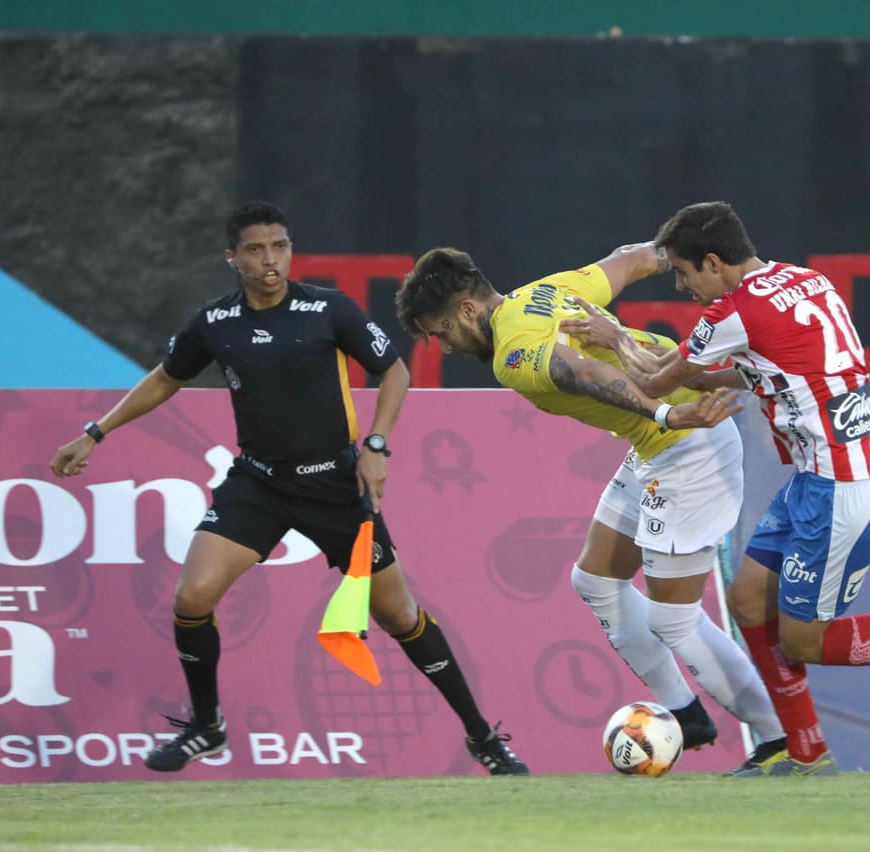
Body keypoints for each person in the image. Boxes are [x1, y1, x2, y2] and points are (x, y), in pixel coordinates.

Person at [49, 202, 528, 776]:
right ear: (233, 258)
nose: (270, 259)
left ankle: (481, 737)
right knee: (191, 597)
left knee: (399, 615)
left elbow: (394, 370)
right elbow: (165, 379)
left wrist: (376, 445)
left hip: (334, 486)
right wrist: (96, 432)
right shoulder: (215, 323)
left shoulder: (328, 309)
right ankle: (207, 727)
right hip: (258, 483)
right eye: (255, 250)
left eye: (279, 246)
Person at [559, 201, 870, 777]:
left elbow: (655, 381)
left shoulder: (735, 310)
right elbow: (750, 368)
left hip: (844, 487)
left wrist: (611, 334)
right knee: (749, 600)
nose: (681, 287)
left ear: (712, 261)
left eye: (683, 272)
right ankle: (805, 754)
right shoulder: (806, 280)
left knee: (807, 641)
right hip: (818, 476)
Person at [395, 244, 787, 757]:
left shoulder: (513, 354)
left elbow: (581, 372)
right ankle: (687, 716)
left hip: (689, 441)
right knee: (597, 578)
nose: (443, 346)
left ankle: (780, 739)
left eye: (441, 330)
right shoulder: (545, 292)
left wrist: (667, 416)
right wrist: (677, 249)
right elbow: (627, 260)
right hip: (660, 443)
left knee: (674, 620)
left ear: (467, 310)